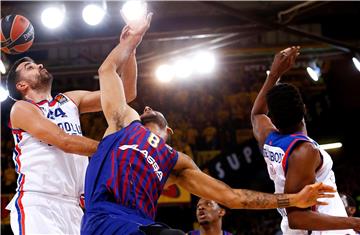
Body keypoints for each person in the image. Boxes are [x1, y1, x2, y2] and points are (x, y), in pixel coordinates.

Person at [81, 13, 335, 235]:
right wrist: (132, 41)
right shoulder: (125, 122)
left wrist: (294, 199)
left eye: (151, 108)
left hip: (140, 225)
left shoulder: (174, 161)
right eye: (144, 108)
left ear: (168, 132)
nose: (146, 108)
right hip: (104, 221)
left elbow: (231, 197)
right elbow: (108, 71)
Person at [5, 34, 138, 234]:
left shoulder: (70, 100)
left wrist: (130, 47)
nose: (39, 65)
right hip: (39, 202)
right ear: (22, 85)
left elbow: (125, 94)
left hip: (75, 207)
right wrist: (112, 149)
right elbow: (63, 140)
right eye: (29, 67)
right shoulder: (22, 108)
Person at [251, 46, 360, 234]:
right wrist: (354, 223)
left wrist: (274, 73)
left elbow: (257, 113)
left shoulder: (268, 137)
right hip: (321, 230)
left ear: (273, 119)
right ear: (304, 109)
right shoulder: (303, 151)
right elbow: (298, 218)